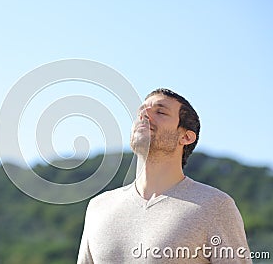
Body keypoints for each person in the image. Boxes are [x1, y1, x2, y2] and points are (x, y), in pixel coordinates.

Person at [77, 88, 251, 263]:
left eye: (160, 111)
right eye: (141, 111)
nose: (144, 115)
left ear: (186, 137)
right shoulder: (98, 207)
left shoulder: (214, 206)